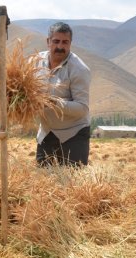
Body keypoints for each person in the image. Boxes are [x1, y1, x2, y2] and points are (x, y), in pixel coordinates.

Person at [35, 22, 91, 167]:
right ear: (48, 42)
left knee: (73, 185)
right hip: (47, 133)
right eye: (56, 41)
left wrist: (53, 103)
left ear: (70, 44)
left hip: (74, 134)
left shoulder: (79, 69)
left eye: (65, 42)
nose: (60, 46)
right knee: (43, 184)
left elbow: (82, 108)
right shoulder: (36, 62)